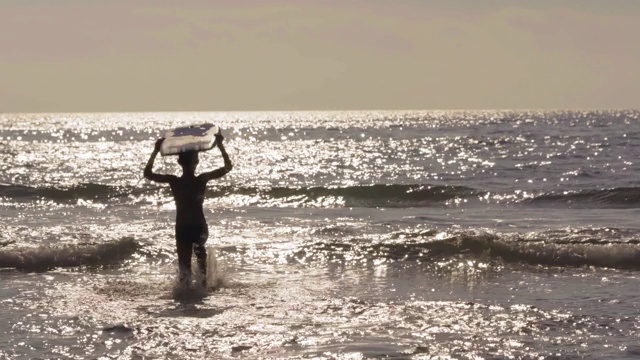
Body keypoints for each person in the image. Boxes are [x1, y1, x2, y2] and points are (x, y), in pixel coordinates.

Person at [144, 132, 232, 287]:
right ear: (196, 162)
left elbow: (148, 174)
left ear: (179, 162)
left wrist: (156, 150)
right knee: (201, 264)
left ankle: (185, 298)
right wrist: (220, 146)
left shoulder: (174, 181)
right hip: (198, 226)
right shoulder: (202, 179)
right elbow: (227, 167)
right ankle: (201, 294)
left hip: (182, 226)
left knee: (184, 268)